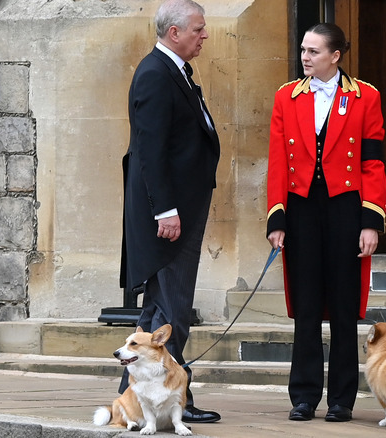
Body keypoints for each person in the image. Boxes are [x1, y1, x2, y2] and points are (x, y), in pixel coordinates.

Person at [265, 23, 386, 423]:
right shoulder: (287, 96)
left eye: (314, 51)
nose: (305, 57)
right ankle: (303, 397)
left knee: (343, 304)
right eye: (303, 50)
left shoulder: (365, 95)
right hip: (301, 209)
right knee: (305, 305)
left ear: (335, 56)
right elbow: (278, 163)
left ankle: (341, 401)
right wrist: (277, 218)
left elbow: (372, 162)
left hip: (346, 210)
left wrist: (371, 222)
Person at [118, 0, 220, 424]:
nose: (205, 35)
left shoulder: (175, 71)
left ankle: (133, 400)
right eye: (198, 29)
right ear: (174, 32)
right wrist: (166, 211)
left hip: (180, 210)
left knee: (158, 312)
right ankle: (174, 398)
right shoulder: (156, 74)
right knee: (172, 310)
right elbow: (150, 152)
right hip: (169, 216)